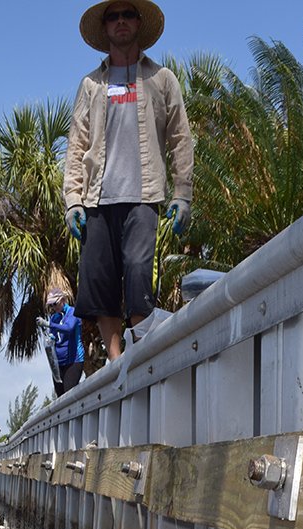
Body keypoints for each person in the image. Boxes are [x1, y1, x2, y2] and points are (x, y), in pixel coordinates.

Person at [63, 1, 193, 360]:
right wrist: (73, 199)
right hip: (97, 200)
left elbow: (180, 138)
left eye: (128, 15)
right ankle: (116, 360)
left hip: (143, 197)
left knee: (139, 276)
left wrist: (182, 195)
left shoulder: (161, 79)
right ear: (105, 27)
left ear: (139, 23)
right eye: (113, 16)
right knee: (100, 283)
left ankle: (139, 355)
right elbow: (77, 144)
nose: (121, 21)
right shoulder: (91, 84)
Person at [42, 286, 84, 397]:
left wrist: (49, 324)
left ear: (63, 300)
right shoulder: (54, 318)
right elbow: (54, 336)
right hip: (58, 363)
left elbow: (68, 328)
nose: (53, 307)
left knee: (69, 396)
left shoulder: (73, 312)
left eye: (55, 304)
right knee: (60, 397)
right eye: (51, 305)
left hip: (74, 361)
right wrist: (50, 338)